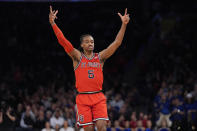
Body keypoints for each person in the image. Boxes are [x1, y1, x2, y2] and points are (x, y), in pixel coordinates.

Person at [49, 5, 130, 131]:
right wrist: (53, 23)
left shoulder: (100, 57)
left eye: (92, 41)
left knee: (102, 127)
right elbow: (63, 41)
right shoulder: (77, 57)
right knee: (89, 129)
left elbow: (117, 43)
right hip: (83, 98)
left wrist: (124, 24)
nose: (90, 43)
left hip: (98, 97)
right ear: (82, 45)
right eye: (87, 41)